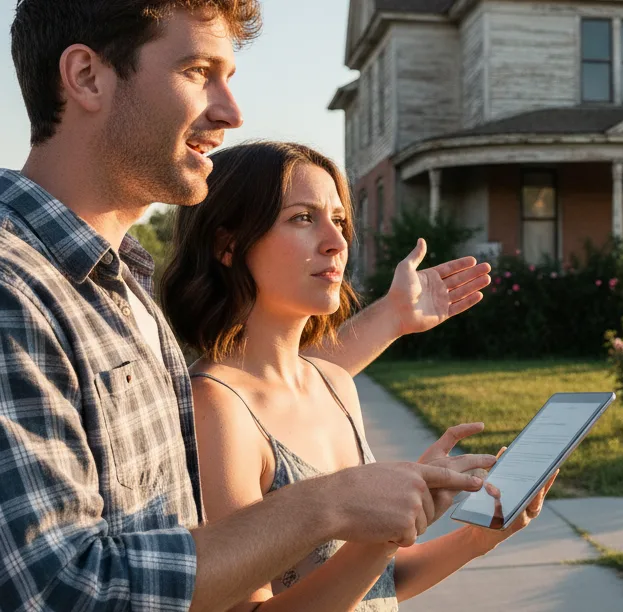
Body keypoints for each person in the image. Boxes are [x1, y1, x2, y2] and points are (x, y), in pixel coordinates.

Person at [0, 2, 494, 610]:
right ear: (85, 77)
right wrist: (329, 502)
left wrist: (389, 320)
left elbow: (282, 378)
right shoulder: (13, 289)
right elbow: (67, 591)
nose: (231, 112)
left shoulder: (122, 289)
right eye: (197, 71)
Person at [160, 140, 558, 612]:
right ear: (228, 245)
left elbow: (379, 583)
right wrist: (387, 533)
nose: (336, 241)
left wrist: (476, 537)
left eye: (339, 219)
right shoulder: (217, 408)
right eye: (302, 218)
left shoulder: (335, 384)